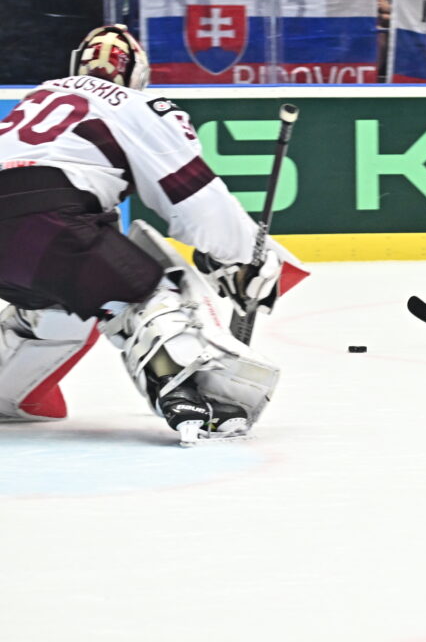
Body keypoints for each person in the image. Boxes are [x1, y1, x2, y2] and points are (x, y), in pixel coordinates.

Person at [0, 25, 293, 437]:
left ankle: (6, 390)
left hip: (32, 227)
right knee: (148, 292)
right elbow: (194, 197)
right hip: (48, 218)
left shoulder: (40, 95)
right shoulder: (139, 105)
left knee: (60, 305)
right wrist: (243, 257)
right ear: (137, 73)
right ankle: (189, 391)